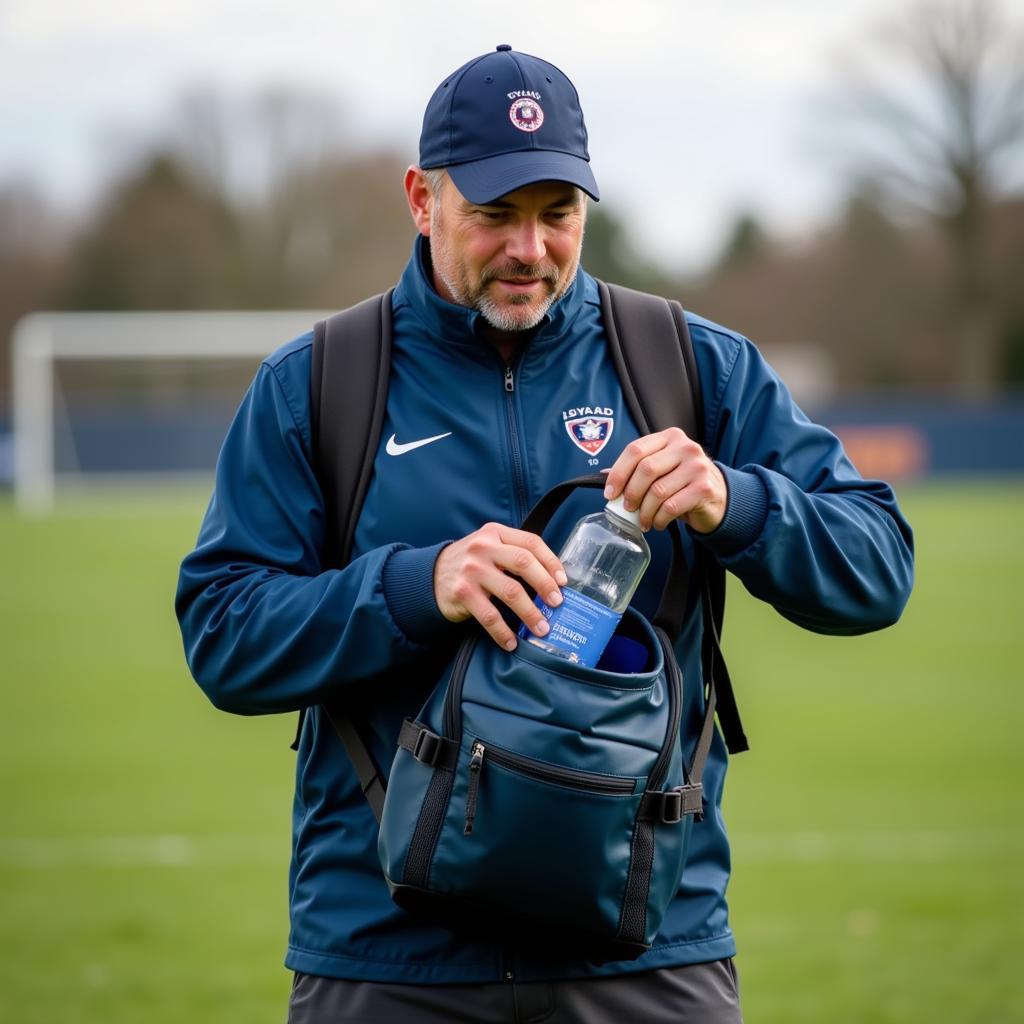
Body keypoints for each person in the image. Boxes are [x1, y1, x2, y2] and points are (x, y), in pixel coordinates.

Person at [176, 45, 914, 1023]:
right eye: (493, 214)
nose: (529, 249)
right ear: (419, 198)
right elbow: (224, 635)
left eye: (556, 214)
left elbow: (878, 566)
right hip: (389, 958)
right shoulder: (319, 385)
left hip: (648, 955)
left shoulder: (688, 364)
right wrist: (415, 585)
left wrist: (731, 500)